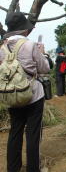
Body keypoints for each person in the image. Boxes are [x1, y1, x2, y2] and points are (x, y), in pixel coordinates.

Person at [0, 12, 50, 172]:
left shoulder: (2, 48)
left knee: (15, 131)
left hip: (12, 94)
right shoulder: (30, 45)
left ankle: (13, 168)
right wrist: (42, 54)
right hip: (32, 94)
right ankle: (33, 168)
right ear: (23, 30)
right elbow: (44, 68)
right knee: (33, 133)